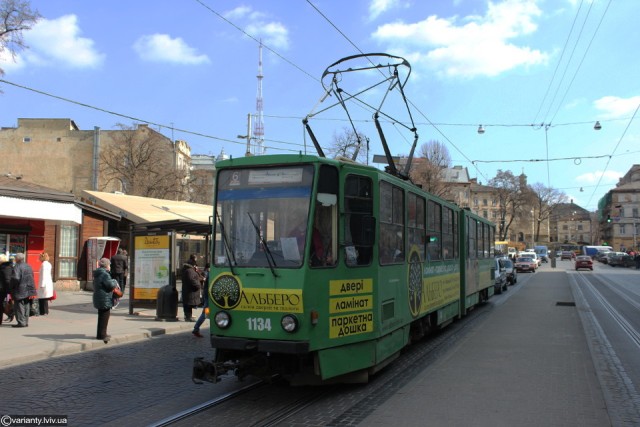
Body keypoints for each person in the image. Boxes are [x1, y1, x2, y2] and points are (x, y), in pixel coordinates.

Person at [92, 258, 120, 343]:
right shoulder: (105, 274)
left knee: (101, 316)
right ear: (106, 265)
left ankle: (100, 334)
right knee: (104, 317)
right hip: (104, 298)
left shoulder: (98, 273)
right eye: (109, 265)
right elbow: (110, 285)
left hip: (99, 297)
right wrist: (114, 282)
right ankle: (102, 335)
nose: (110, 266)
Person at [9, 253, 37, 328]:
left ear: (17, 259)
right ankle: (25, 321)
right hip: (28, 288)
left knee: (19, 305)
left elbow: (15, 278)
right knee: (26, 304)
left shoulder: (17, 267)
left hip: (20, 289)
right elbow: (32, 276)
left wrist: (11, 287)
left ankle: (21, 322)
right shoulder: (28, 266)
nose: (15, 259)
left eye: (15, 258)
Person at [192, 263, 210, 337]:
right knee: (205, 313)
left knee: (207, 313)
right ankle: (196, 328)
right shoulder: (210, 274)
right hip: (210, 298)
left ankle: (196, 329)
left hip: (208, 297)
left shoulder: (210, 274)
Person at [0, 254, 13, 325]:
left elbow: (7, 279)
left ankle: (10, 313)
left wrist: (9, 291)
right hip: (3, 289)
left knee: (2, 304)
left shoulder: (6, 267)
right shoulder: (4, 267)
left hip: (2, 289)